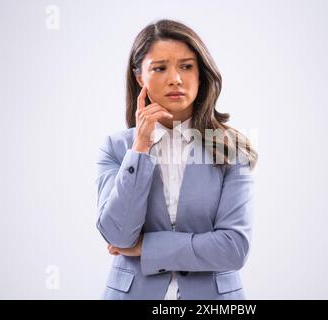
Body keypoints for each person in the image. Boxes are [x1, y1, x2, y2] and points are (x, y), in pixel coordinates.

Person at [95, 19, 258, 300]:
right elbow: (118, 236)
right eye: (160, 68)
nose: (176, 79)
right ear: (139, 77)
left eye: (186, 66)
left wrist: (146, 247)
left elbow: (233, 248)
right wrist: (141, 147)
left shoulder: (231, 149)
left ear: (201, 73)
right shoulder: (116, 148)